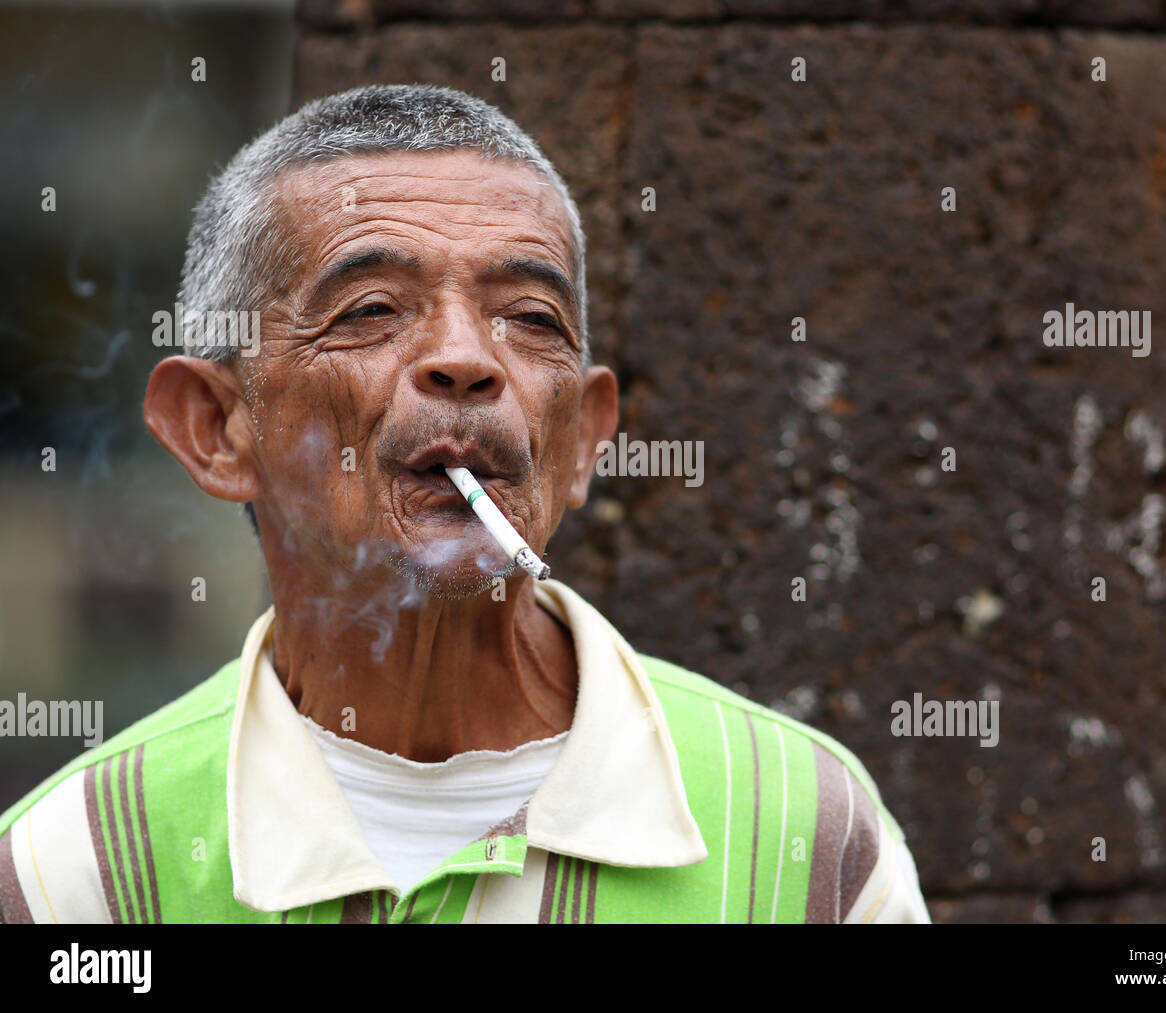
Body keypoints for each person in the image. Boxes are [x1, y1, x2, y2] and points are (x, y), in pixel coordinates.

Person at [0, 84, 927, 924]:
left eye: (530, 319)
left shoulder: (806, 844)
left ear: (582, 440)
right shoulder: (75, 877)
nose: (466, 358)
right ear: (216, 426)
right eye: (370, 309)